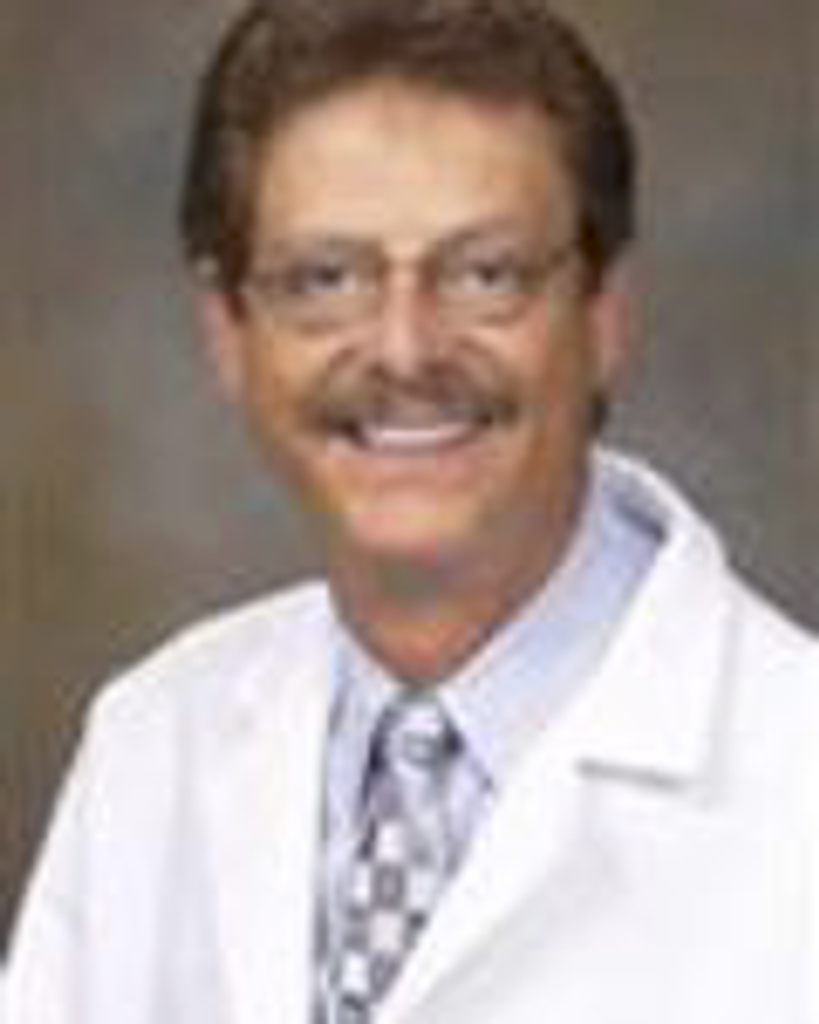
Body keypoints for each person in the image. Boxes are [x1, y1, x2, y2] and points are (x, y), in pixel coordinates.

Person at [5, 1, 819, 1022]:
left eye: (485, 274)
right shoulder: (153, 742)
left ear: (604, 312)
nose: (404, 349)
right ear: (228, 331)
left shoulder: (796, 771)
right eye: (324, 279)